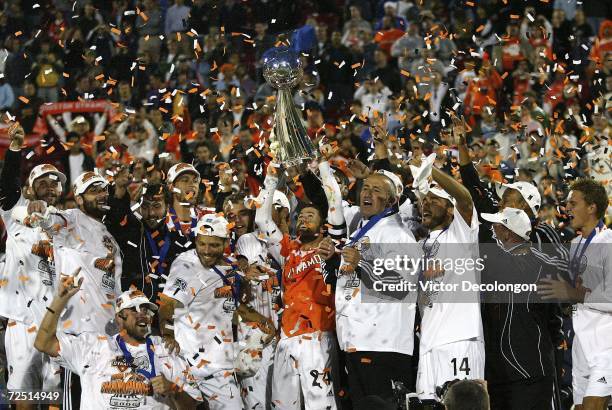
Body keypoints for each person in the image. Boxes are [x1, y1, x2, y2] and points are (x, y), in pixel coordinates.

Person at [319, 168, 418, 408]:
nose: (367, 193)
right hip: (356, 340)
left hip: (383, 345)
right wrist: (333, 259)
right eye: (365, 187)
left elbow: (402, 288)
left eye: (377, 190)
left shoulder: (399, 236)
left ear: (392, 200)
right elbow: (349, 282)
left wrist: (361, 265)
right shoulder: (360, 234)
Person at [34, 282, 203, 409]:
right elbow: (43, 343)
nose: (142, 315)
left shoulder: (167, 350)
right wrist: (59, 301)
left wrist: (173, 389)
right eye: (135, 310)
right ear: (119, 318)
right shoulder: (94, 346)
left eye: (146, 310)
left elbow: (191, 406)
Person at [256, 163, 338, 410]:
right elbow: (261, 218)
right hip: (287, 337)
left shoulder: (331, 246)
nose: (303, 219)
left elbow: (334, 203)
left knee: (321, 405)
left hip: (319, 336)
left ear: (324, 223)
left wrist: (323, 168)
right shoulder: (287, 250)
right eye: (300, 216)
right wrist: (272, 177)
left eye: (310, 216)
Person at [0, 123, 66, 408]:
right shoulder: (16, 212)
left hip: (60, 322)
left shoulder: (70, 223)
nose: (50, 187)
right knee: (25, 398)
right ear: (29, 188)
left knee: (54, 398)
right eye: (43, 182)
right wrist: (15, 150)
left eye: (55, 182)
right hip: (23, 322)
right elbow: (6, 187)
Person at [410, 154, 484, 404]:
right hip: (429, 342)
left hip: (459, 338)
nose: (426, 204)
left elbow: (465, 198)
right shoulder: (420, 245)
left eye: (434, 201)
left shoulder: (461, 235)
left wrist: (432, 172)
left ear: (450, 210)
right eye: (424, 201)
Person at [539, 179, 612, 410]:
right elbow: (573, 293)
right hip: (580, 344)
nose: (567, 208)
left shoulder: (608, 242)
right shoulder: (575, 244)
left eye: (573, 202)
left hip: (605, 346)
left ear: (591, 207)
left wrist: (573, 293)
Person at [159, 214, 244, 410]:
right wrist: (168, 333)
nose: (206, 251)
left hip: (220, 365)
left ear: (226, 242)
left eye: (214, 245)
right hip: (187, 363)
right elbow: (168, 303)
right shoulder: (186, 263)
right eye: (202, 243)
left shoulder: (230, 268)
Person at [479, 208, 558, 410]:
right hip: (500, 373)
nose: (492, 231)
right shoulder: (498, 264)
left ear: (508, 232)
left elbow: (553, 320)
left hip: (529, 371)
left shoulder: (539, 264)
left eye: (496, 226)